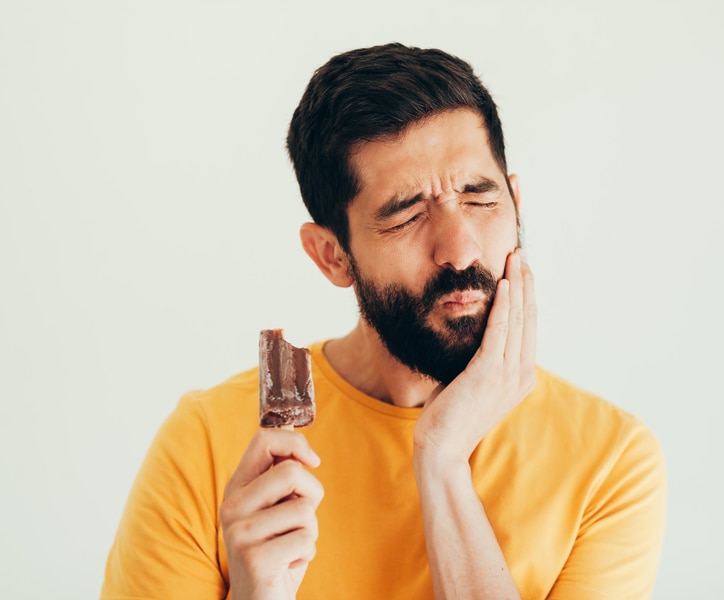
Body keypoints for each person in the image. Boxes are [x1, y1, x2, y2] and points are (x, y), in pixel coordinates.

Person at [101, 43, 666, 600]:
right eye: (407, 214)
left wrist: (442, 460)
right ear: (332, 256)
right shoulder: (207, 445)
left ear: (516, 202)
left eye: (480, 198)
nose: (460, 249)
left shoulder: (609, 462)